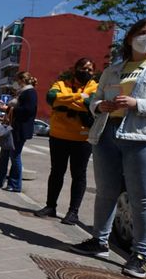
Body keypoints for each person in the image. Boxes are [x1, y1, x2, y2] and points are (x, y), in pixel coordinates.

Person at [71, 18, 146, 279]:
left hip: (144, 138)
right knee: (106, 193)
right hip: (107, 133)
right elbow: (95, 99)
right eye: (142, 32)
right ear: (129, 37)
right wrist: (100, 106)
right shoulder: (113, 69)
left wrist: (138, 103)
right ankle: (99, 242)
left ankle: (140, 256)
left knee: (142, 199)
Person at [34, 58, 98, 225]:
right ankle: (50, 206)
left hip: (82, 138)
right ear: (75, 69)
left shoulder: (95, 87)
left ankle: (73, 212)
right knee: (56, 172)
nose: (87, 72)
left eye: (90, 69)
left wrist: (65, 102)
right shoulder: (60, 84)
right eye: (83, 68)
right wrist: (79, 97)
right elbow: (51, 98)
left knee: (78, 175)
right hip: (58, 136)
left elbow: (90, 104)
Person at [0, 71, 37, 192]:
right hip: (12, 127)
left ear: (22, 80)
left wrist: (10, 109)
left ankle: (15, 185)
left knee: (15, 156)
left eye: (16, 80)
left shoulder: (30, 92)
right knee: (4, 155)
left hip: (20, 130)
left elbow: (29, 110)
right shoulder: (21, 92)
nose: (15, 83)